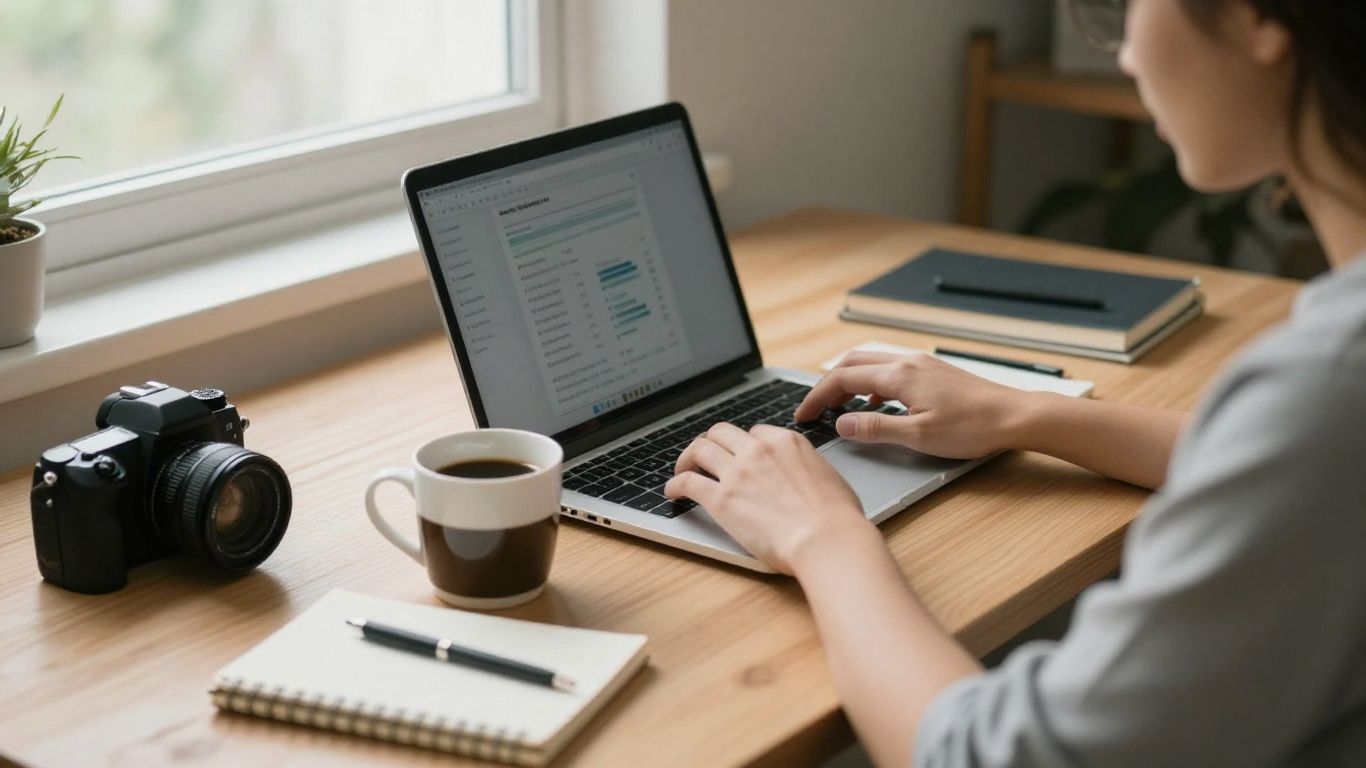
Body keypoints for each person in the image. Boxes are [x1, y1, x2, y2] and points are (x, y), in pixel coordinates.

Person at [663, 0, 1366, 765]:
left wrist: (822, 536)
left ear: (1254, 17)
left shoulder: (1328, 386)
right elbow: (1289, 456)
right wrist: (1026, 414)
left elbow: (989, 756)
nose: (1127, 52)